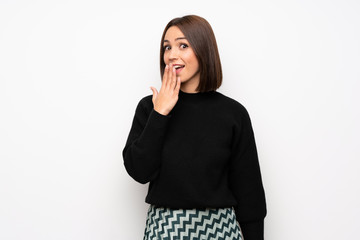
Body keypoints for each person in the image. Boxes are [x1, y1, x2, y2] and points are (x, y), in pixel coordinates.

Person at [122, 15, 267, 240]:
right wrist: (160, 113)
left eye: (183, 45)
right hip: (165, 229)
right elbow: (139, 171)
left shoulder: (233, 114)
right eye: (167, 47)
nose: (172, 55)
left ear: (203, 49)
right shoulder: (149, 107)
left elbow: (250, 194)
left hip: (221, 229)